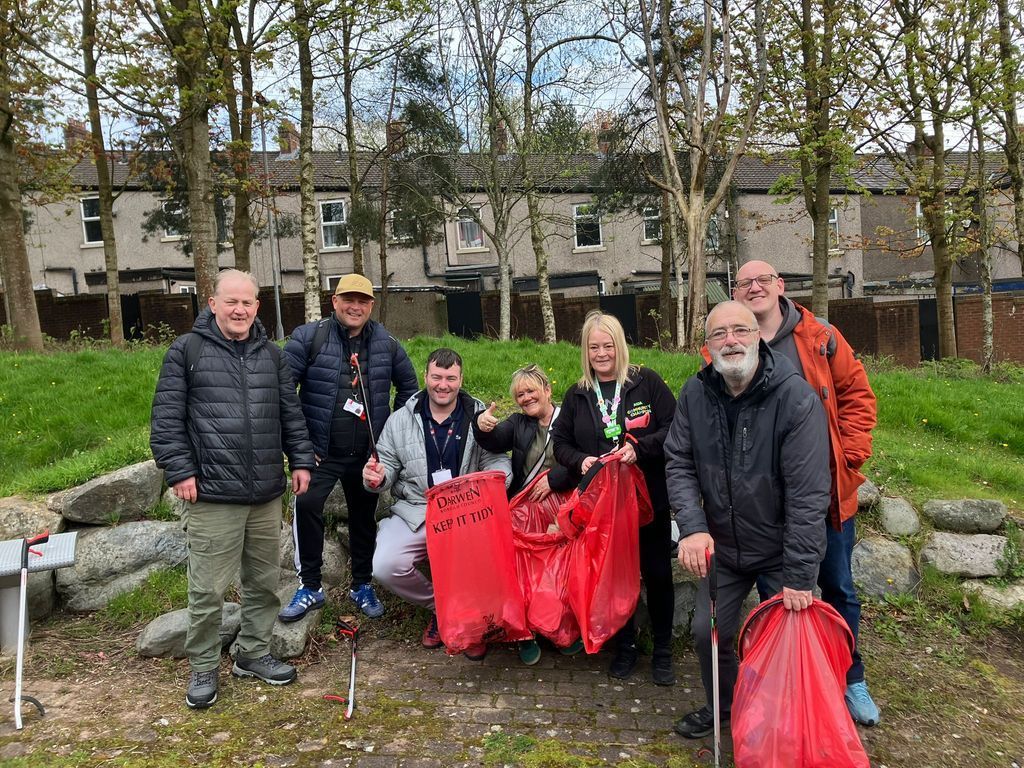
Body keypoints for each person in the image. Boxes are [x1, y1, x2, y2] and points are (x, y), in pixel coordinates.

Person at [150, 269, 315, 710]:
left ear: (257, 307)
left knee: (263, 583)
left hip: (264, 492)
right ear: (213, 303)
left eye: (247, 302)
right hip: (210, 495)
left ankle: (253, 653)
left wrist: (300, 460)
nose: (240, 310)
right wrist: (180, 471)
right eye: (231, 302)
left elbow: (290, 415)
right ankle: (204, 664)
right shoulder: (186, 351)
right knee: (207, 591)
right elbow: (165, 422)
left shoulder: (272, 355)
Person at [666, 300, 830, 739]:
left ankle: (778, 720)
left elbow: (809, 494)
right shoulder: (695, 393)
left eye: (740, 330)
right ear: (707, 346)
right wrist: (693, 527)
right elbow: (678, 460)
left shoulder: (795, 398)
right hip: (722, 547)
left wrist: (800, 575)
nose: (730, 340)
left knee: (782, 643)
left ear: (758, 335)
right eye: (719, 334)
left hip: (779, 552)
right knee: (707, 633)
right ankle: (724, 706)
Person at [732, 260, 880, 726]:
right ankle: (794, 677)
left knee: (837, 585)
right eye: (744, 282)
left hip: (828, 494)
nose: (754, 287)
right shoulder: (729, 343)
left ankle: (851, 677)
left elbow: (858, 395)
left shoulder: (820, 337)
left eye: (762, 280)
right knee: (784, 592)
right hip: (767, 502)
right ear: (736, 293)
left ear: (780, 286)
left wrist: (848, 458)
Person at [278, 273, 418, 623]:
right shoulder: (308, 338)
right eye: (349, 300)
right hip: (319, 453)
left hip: (368, 455)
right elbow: (282, 394)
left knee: (363, 517)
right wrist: (299, 446)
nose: (356, 307)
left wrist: (388, 440)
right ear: (335, 301)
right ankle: (309, 586)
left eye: (363, 301)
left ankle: (362, 584)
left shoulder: (386, 342)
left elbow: (410, 389)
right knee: (307, 505)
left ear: (371, 306)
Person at [550, 310, 677, 686]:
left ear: (619, 346)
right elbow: (560, 442)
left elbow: (675, 428)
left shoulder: (646, 382)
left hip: (648, 499)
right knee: (615, 579)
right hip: (603, 508)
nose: (601, 353)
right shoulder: (577, 393)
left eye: (607, 345)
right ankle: (625, 646)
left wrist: (641, 448)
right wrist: (581, 461)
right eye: (594, 347)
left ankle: (664, 651)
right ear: (586, 352)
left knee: (656, 574)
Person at [362, 348, 512, 660]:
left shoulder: (478, 415)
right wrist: (375, 476)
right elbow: (384, 466)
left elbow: (497, 460)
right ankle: (444, 608)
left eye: (451, 378)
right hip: (418, 510)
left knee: (487, 559)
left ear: (461, 379)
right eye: (437, 377)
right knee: (385, 564)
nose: (443, 385)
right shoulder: (401, 419)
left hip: (468, 512)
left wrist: (493, 487)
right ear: (426, 377)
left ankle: (472, 623)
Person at [473, 363, 579, 665]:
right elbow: (495, 439)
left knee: (559, 571)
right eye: (520, 394)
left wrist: (555, 479)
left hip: (565, 506)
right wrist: (481, 424)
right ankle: (524, 633)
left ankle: (560, 629)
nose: (526, 398)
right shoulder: (518, 423)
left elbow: (583, 459)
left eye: (531, 391)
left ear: (547, 389)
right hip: (525, 506)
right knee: (521, 569)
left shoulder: (569, 421)